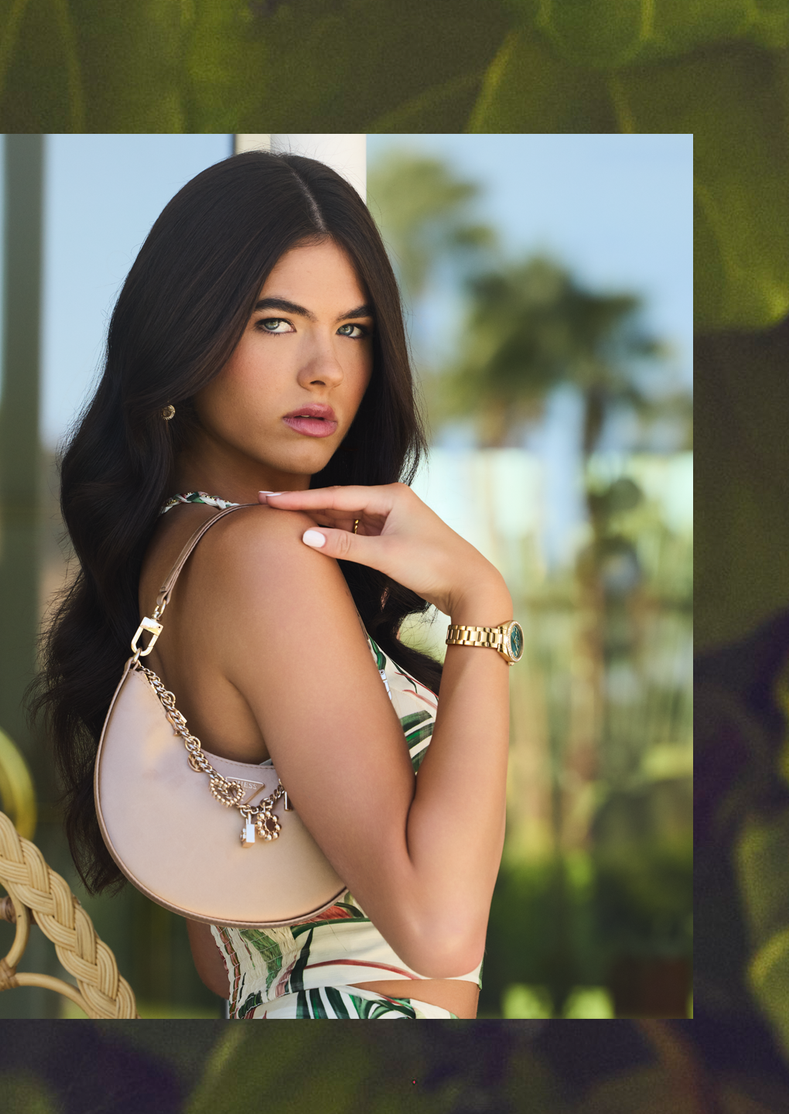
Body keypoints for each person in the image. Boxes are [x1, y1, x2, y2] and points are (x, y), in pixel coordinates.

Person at [32, 150, 514, 1020]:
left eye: (355, 329)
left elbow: (226, 956)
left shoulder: (184, 552)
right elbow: (443, 932)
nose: (325, 368)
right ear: (188, 333)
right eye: (277, 323)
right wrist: (484, 609)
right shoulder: (262, 556)